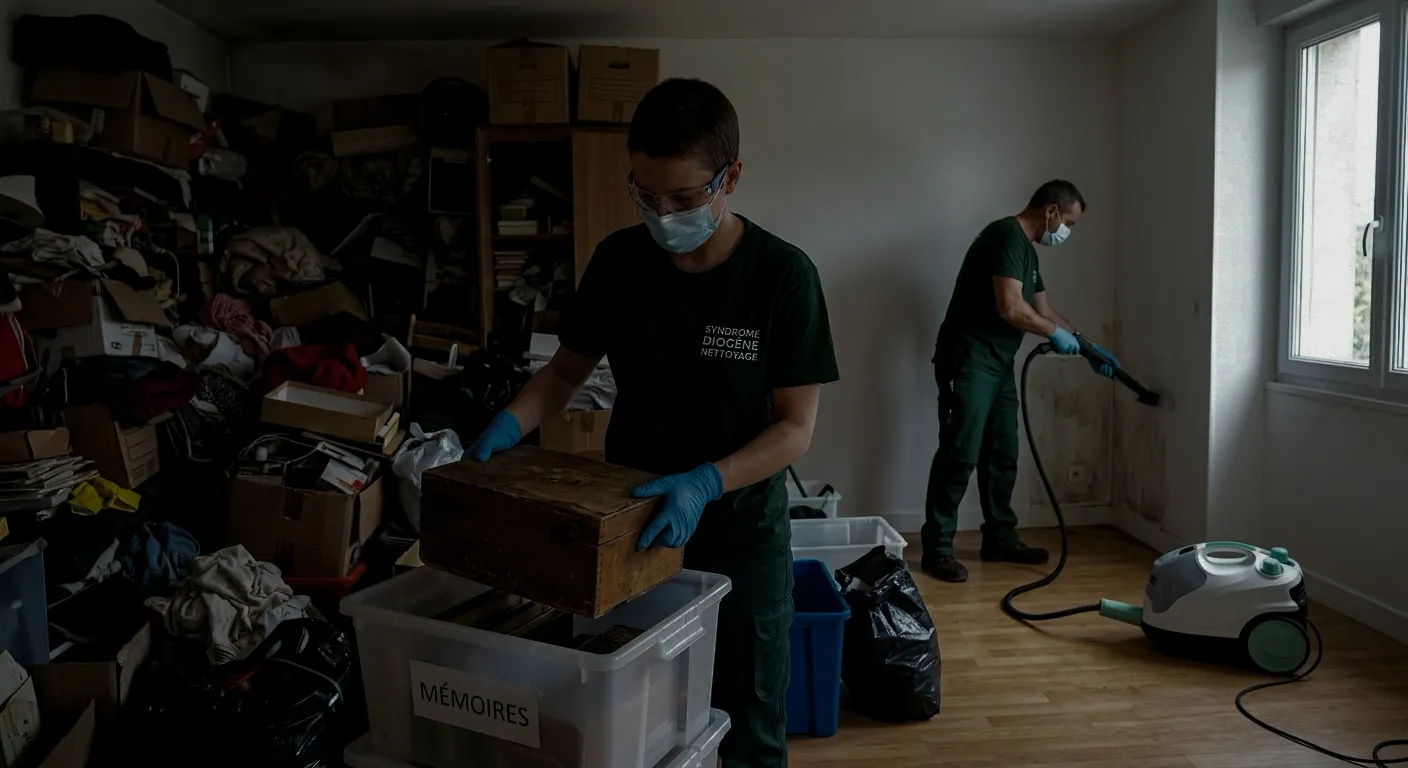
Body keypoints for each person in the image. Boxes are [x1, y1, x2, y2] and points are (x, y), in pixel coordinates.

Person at [465, 78, 839, 768]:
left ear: (731, 177)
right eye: (646, 194)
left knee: (750, 721)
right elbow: (565, 373)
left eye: (683, 197)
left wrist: (705, 481)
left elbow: (795, 429)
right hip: (631, 524)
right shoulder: (619, 261)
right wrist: (508, 426)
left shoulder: (782, 276)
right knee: (633, 712)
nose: (662, 214)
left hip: (737, 530)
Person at [920, 180, 1116, 583]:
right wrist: (1051, 333)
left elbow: (1043, 309)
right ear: (1051, 212)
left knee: (1003, 450)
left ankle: (1000, 538)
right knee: (961, 450)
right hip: (970, 358)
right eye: (1070, 223)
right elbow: (1011, 307)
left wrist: (1088, 347)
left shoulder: (1026, 252)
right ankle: (937, 547)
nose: (1067, 232)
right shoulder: (1004, 235)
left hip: (999, 361)